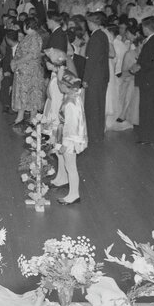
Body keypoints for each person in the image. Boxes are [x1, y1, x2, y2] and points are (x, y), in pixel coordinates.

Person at [52, 73, 87, 205]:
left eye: (60, 84)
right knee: (69, 166)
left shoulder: (70, 103)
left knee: (71, 167)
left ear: (66, 86)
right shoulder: (72, 97)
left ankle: (74, 194)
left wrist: (65, 143)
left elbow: (71, 126)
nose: (59, 86)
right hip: (66, 137)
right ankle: (72, 193)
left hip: (69, 140)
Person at [132, 17, 154, 144]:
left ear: (147, 27)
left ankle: (149, 136)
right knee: (147, 108)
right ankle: (146, 136)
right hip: (149, 79)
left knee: (149, 108)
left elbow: (152, 61)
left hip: (150, 79)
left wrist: (139, 66)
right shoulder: (152, 40)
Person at [82, 11, 111, 143]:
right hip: (101, 76)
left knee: (92, 106)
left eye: (89, 22)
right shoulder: (103, 35)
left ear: (94, 23)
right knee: (99, 105)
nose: (87, 25)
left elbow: (91, 61)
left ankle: (93, 135)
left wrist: (85, 79)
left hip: (94, 77)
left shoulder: (95, 37)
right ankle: (98, 134)